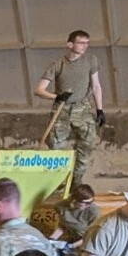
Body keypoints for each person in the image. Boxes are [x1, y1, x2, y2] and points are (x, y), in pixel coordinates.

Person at [38, 30, 105, 185]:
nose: (85, 46)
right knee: (56, 148)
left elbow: (96, 86)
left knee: (86, 144)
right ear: (70, 44)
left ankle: (76, 182)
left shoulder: (90, 61)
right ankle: (58, 184)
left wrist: (99, 109)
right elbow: (39, 90)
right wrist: (56, 96)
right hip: (62, 109)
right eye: (81, 43)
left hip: (83, 109)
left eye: (87, 43)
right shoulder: (58, 65)